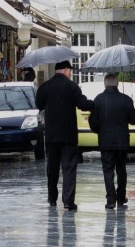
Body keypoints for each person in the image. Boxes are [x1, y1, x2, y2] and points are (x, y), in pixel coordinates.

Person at [35, 60, 94, 211]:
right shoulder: (72, 86)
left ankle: (52, 199)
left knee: (52, 167)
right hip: (68, 135)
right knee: (69, 168)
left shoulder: (45, 87)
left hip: (51, 135)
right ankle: (68, 201)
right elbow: (83, 104)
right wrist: (96, 103)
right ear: (66, 70)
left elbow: (38, 104)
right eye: (70, 71)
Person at [88, 73, 135, 209]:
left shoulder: (98, 99)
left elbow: (93, 122)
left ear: (105, 84)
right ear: (116, 84)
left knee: (108, 170)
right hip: (122, 142)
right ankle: (121, 197)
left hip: (105, 141)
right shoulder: (126, 99)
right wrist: (132, 109)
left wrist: (99, 131)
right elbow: (134, 120)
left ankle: (111, 199)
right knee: (121, 169)